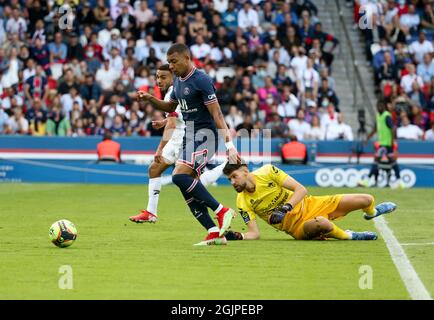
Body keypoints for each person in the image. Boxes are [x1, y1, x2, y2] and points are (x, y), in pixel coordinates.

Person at [136, 43, 240, 246]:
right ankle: (213, 232)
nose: (171, 66)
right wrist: (150, 98)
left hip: (206, 136)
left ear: (187, 58)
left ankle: (222, 211)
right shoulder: (178, 83)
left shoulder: (201, 80)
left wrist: (230, 147)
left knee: (179, 176)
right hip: (190, 137)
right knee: (187, 186)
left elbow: (217, 114)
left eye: (174, 62)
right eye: (169, 63)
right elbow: (170, 106)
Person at [129, 64, 227, 224]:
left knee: (189, 183)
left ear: (173, 77)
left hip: (184, 139)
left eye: (163, 77)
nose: (159, 81)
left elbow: (173, 124)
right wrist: (164, 121)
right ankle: (151, 212)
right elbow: (178, 117)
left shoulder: (174, 92)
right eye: (157, 77)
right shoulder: (175, 92)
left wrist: (159, 148)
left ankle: (223, 172)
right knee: (156, 170)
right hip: (181, 137)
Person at [222, 162, 397, 241]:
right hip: (297, 227)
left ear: (245, 171)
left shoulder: (267, 171)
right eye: (229, 179)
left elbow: (301, 189)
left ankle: (372, 213)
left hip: (313, 203)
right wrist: (240, 236)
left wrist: (284, 208)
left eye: (234, 176)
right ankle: (350, 236)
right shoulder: (242, 201)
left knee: (367, 199)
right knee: (323, 224)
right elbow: (255, 234)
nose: (232, 182)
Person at [358, 100, 404, 188]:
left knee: (377, 161)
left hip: (387, 144)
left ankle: (367, 180)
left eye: (381, 106)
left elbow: (393, 128)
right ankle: (399, 181)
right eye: (378, 106)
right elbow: (375, 128)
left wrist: (393, 141)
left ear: (384, 106)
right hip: (382, 144)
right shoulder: (378, 116)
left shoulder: (387, 116)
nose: (379, 107)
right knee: (392, 163)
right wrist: (367, 138)